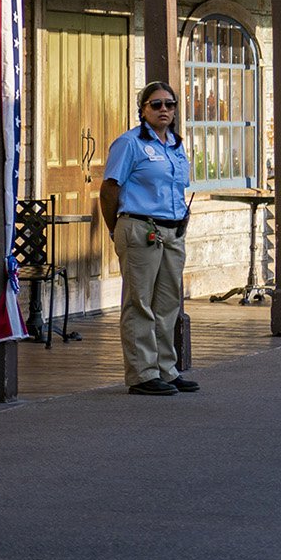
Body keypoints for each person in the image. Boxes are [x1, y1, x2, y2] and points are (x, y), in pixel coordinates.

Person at [100, 81, 197, 396]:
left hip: (172, 230)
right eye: (156, 104)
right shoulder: (130, 144)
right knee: (139, 302)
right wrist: (115, 228)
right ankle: (142, 374)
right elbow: (110, 187)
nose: (164, 110)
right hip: (140, 228)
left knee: (168, 303)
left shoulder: (176, 145)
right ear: (142, 109)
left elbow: (177, 188)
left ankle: (166, 370)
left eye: (170, 104)